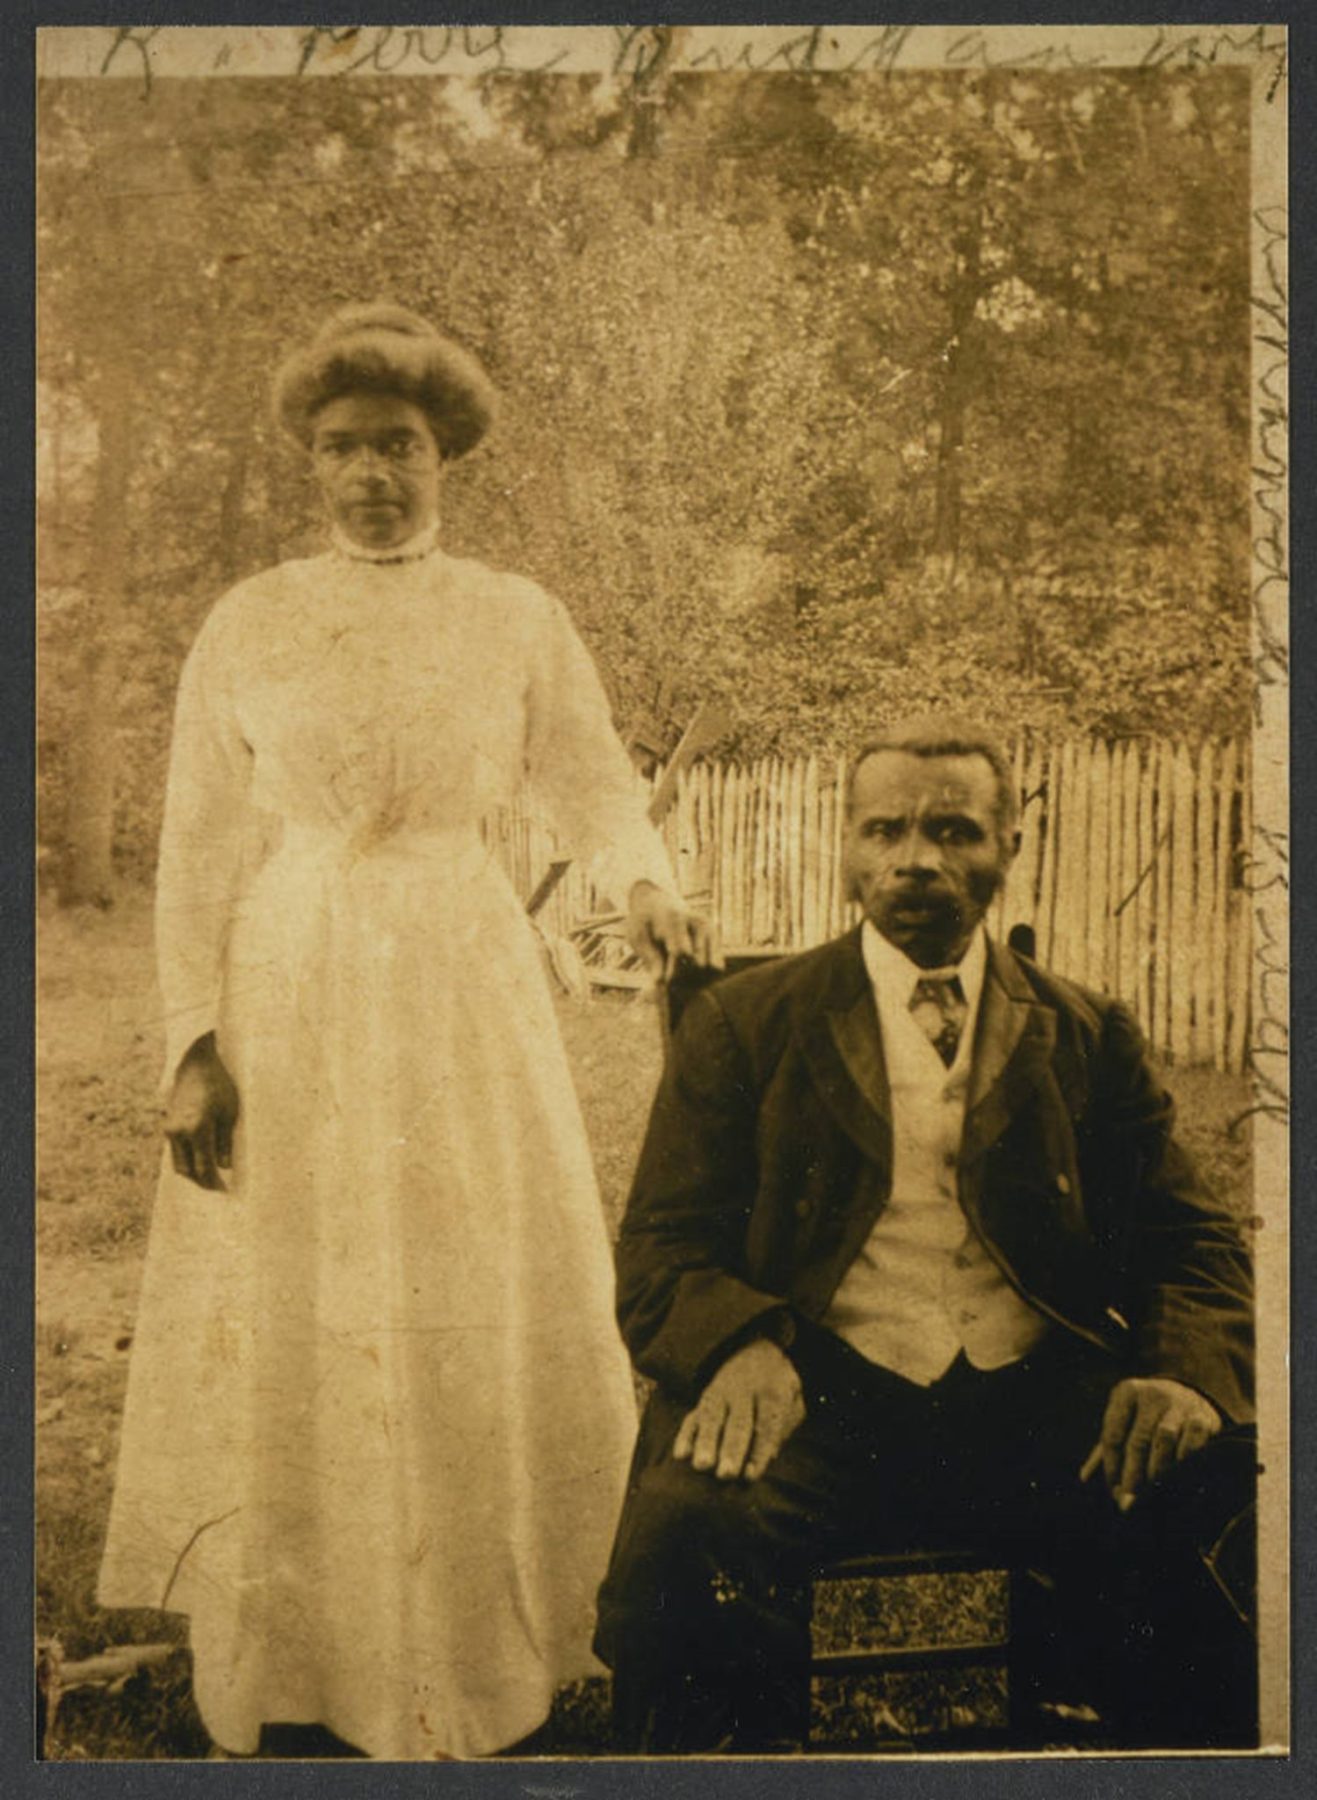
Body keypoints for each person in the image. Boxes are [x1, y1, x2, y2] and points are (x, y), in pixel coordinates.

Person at [97, 303, 713, 1761]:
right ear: (310, 461)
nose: (372, 473)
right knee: (302, 1287)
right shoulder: (250, 619)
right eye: (343, 447)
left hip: (458, 972)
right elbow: (196, 844)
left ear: (447, 459)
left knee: (464, 1270)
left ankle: (481, 1648)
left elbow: (597, 787)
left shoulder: (514, 615)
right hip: (293, 977)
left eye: (401, 446)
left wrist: (648, 887)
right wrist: (193, 1042)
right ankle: (302, 1655)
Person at [595, 716, 1257, 1753]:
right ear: (847, 848)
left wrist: (1180, 1372)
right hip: (818, 1397)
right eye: (885, 830)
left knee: (1222, 1493)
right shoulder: (744, 1023)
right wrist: (740, 1343)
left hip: (1034, 1404)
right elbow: (660, 1248)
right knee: (690, 1522)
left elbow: (1195, 1240)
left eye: (954, 831)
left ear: (1008, 847)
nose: (916, 860)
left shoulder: (1086, 1032)